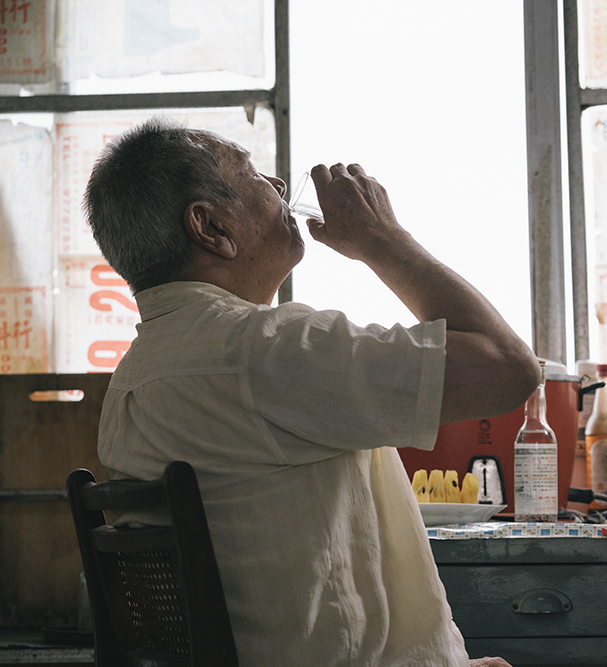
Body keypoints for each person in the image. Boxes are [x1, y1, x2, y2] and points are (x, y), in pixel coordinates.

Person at [83, 117, 539, 667]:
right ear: (210, 227)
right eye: (254, 174)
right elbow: (509, 368)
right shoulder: (265, 350)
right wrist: (381, 238)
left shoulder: (134, 375)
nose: (279, 185)